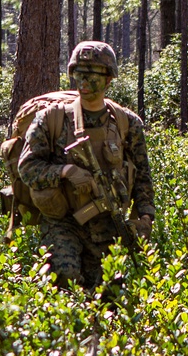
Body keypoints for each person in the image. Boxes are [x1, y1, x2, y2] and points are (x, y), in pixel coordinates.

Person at [17, 41, 154, 292]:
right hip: (63, 221)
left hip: (107, 224)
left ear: (108, 79)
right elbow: (27, 168)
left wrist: (145, 217)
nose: (83, 81)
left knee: (110, 296)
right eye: (78, 73)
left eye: (92, 75)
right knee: (64, 280)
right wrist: (65, 172)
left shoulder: (127, 123)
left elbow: (143, 175)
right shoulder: (51, 118)